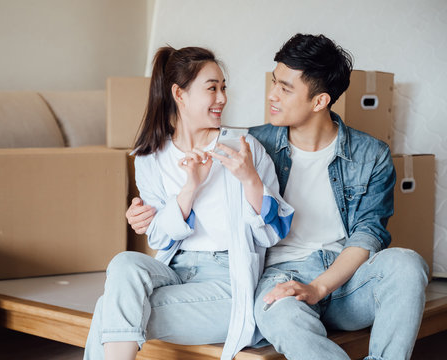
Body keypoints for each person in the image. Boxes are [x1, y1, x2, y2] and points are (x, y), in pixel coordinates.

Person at [126, 34, 429, 360]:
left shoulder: (371, 155)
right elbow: (189, 169)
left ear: (319, 101)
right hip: (280, 277)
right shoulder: (251, 143)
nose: (271, 95)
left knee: (407, 264)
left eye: (285, 88)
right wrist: (146, 212)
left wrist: (319, 287)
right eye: (274, 82)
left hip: (346, 281)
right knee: (278, 314)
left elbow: (368, 236)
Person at [84, 46, 294, 360]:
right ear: (179, 94)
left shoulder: (243, 148)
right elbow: (158, 237)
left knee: (109, 309)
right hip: (174, 270)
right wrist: (190, 188)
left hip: (227, 282)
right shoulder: (150, 157)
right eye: (212, 88)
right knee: (123, 264)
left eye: (224, 88)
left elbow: (273, 231)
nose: (222, 98)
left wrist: (250, 179)